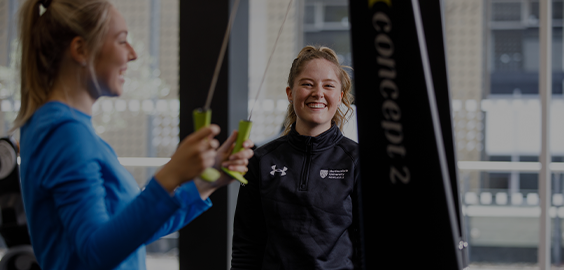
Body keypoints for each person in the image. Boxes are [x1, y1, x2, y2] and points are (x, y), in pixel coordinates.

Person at [14, 0, 254, 269]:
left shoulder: (55, 125)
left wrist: (207, 182)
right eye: (121, 41)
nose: (132, 54)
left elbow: (131, 233)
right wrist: (170, 175)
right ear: (81, 49)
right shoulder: (64, 132)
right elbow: (95, 253)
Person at [231, 45, 361, 269]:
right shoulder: (261, 160)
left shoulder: (356, 160)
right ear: (290, 93)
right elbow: (247, 245)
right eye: (307, 84)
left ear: (339, 96)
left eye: (328, 85)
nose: (318, 93)